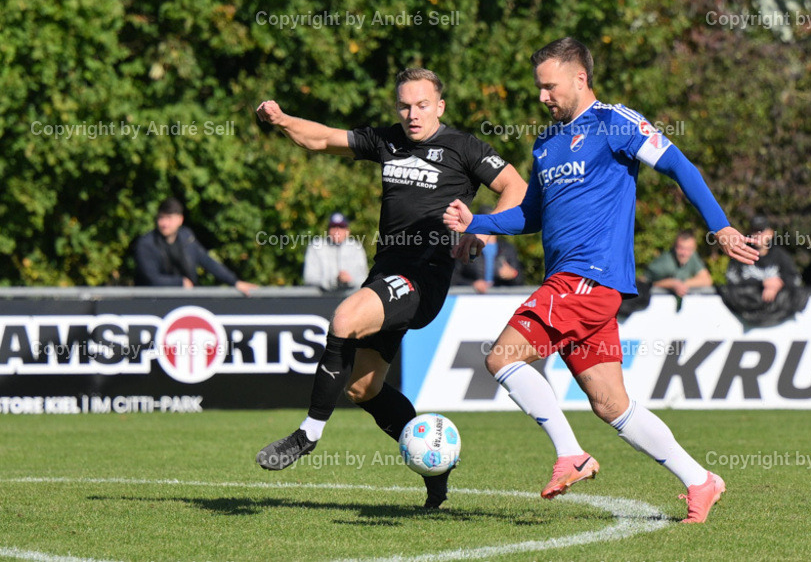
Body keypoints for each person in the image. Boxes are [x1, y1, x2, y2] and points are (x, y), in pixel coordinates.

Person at [443, 38, 758, 523]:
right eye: (539, 88)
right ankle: (700, 481)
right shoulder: (545, 143)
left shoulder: (617, 122)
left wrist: (720, 226)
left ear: (580, 79)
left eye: (550, 87)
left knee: (501, 357)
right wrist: (476, 225)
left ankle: (571, 454)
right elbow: (531, 215)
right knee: (611, 403)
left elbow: (679, 165)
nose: (543, 96)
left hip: (590, 279)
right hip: (573, 285)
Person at [253, 68, 527, 509]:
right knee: (363, 389)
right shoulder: (388, 140)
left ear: (439, 106)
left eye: (422, 105)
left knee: (343, 318)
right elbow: (322, 139)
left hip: (424, 276)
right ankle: (438, 470)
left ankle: (307, 435)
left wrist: (484, 230)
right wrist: (282, 119)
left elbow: (516, 186)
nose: (412, 114)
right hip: (387, 275)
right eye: (404, 105)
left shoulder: (464, 148)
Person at [134, 197, 257, 295]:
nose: (164, 223)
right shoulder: (146, 244)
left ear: (180, 219)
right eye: (161, 218)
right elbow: (152, 279)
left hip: (185, 302)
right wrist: (180, 282)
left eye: (169, 218)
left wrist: (234, 282)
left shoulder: (187, 239)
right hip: (154, 303)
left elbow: (208, 262)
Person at [718, 215, 810, 326]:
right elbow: (732, 281)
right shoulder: (742, 253)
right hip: (744, 318)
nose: (758, 235)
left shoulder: (779, 254)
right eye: (754, 231)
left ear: (770, 233)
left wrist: (779, 283)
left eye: (761, 231)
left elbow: (795, 278)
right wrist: (762, 284)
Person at [303, 212, 369, 292]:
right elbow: (309, 277)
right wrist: (333, 281)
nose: (337, 231)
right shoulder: (316, 246)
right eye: (333, 227)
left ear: (347, 231)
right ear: (328, 230)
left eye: (341, 227)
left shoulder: (356, 248)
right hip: (322, 299)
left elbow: (364, 278)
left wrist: (349, 280)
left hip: (350, 298)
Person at [645, 230, 713, 298]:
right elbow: (643, 283)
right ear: (674, 247)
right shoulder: (664, 263)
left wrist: (682, 284)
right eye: (681, 248)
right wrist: (670, 284)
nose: (684, 253)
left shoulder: (692, 256)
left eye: (689, 249)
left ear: (694, 248)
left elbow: (707, 280)